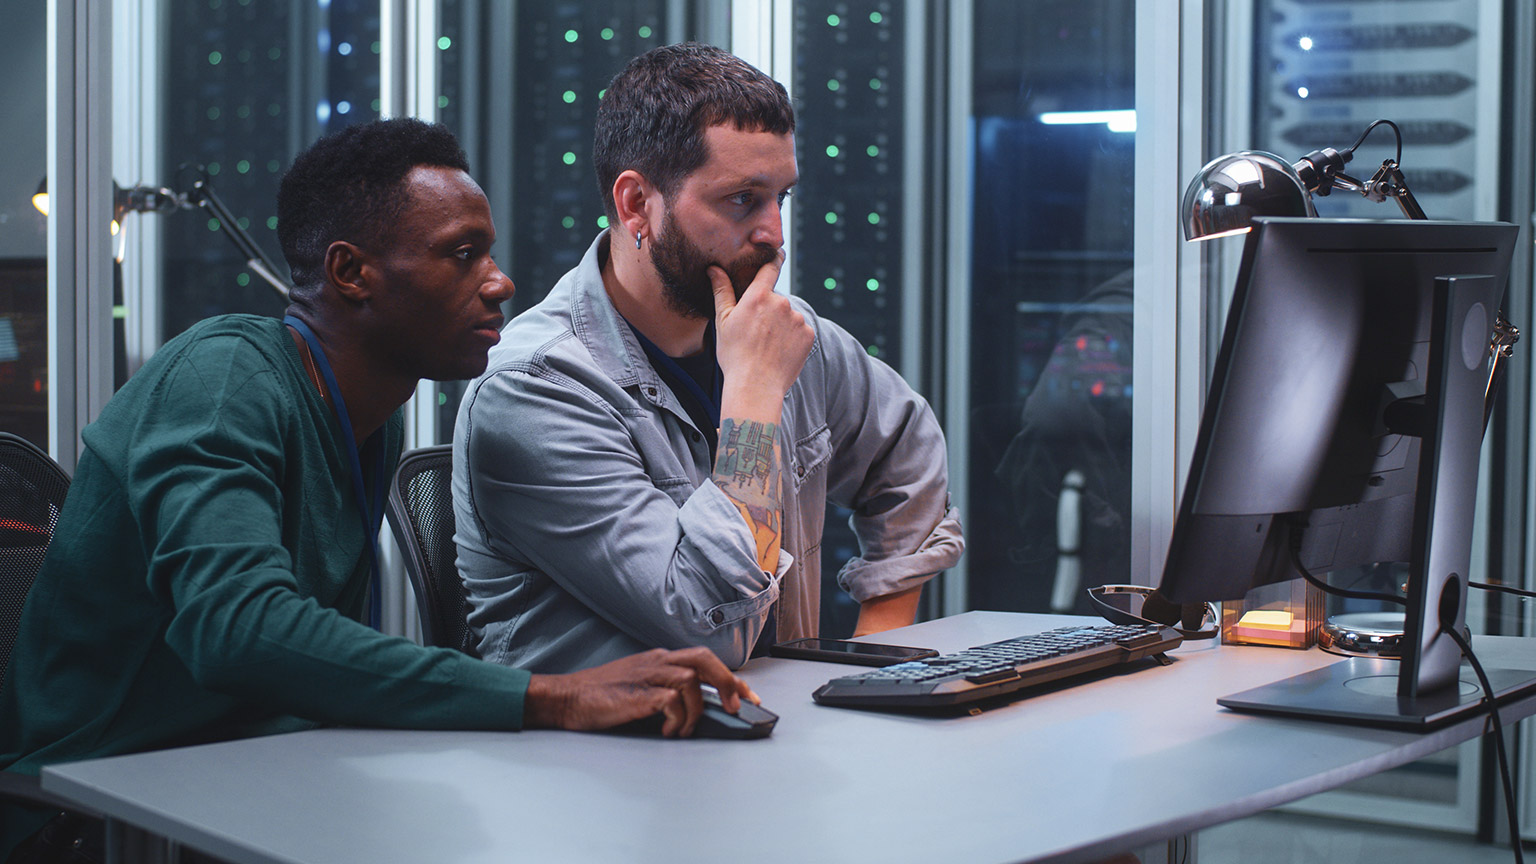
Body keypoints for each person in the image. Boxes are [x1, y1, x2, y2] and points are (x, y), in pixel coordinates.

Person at [0, 118, 754, 862]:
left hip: (259, 778)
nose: (500, 281)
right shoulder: (223, 379)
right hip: (97, 811)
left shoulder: (367, 416)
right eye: (462, 255)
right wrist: (554, 696)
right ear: (351, 272)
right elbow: (239, 630)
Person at [453, 42, 964, 674]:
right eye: (742, 199)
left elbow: (906, 451)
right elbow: (709, 623)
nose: (774, 232)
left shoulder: (785, 334)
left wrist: (875, 651)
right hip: (602, 761)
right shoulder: (535, 390)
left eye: (783, 197)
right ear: (637, 203)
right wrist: (753, 395)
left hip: (773, 736)